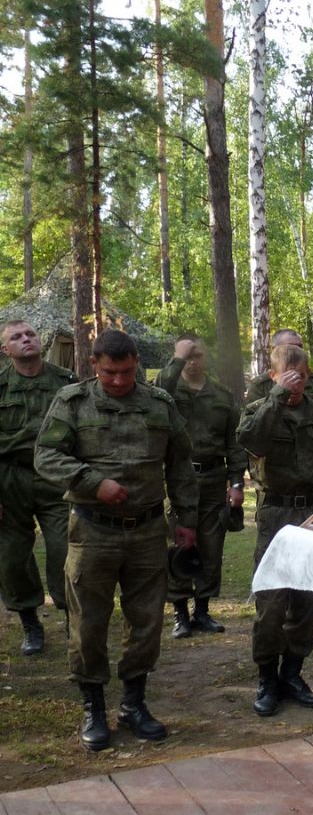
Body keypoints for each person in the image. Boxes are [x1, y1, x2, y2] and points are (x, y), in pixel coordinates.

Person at [35, 329, 198, 752]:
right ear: (94, 365)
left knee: (147, 621)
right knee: (88, 621)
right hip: (93, 531)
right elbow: (46, 456)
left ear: (136, 363)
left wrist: (186, 519)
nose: (119, 380)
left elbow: (180, 463)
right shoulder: (72, 402)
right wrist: (93, 483)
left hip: (147, 531)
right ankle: (93, 706)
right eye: (110, 373)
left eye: (126, 371)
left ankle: (133, 703)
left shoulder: (160, 403)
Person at [238, 343, 313, 716]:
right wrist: (278, 397)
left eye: (302, 375)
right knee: (271, 602)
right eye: (288, 375)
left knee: (305, 600)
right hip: (276, 515)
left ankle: (293, 674)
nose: (296, 383)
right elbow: (251, 441)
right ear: (273, 376)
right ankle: (267, 679)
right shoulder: (259, 410)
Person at [156, 335, 245, 638]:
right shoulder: (168, 391)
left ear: (207, 357)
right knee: (179, 543)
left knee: (211, 546)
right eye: (187, 356)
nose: (193, 361)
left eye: (198, 355)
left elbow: (234, 443)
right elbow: (156, 393)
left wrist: (236, 482)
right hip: (178, 478)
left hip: (213, 479)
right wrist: (177, 359)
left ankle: (202, 611)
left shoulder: (221, 395)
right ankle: (180, 614)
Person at [0, 321, 77, 656]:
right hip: (9, 478)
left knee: (65, 549)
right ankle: (30, 621)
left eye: (30, 334)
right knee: (11, 557)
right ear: (5, 350)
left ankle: (73, 617)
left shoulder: (66, 382)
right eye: (16, 337)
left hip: (56, 477)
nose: (25, 340)